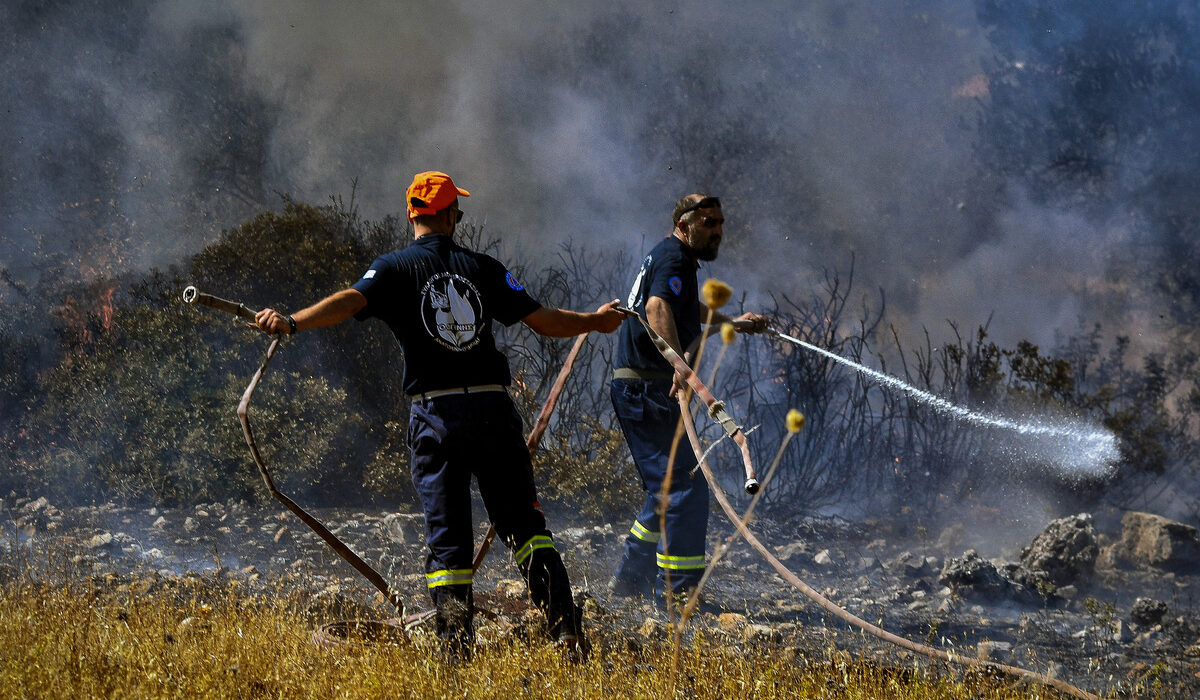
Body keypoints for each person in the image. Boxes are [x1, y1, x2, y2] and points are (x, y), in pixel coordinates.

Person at [255, 171, 623, 659]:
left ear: (412, 215)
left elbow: (349, 301)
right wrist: (595, 322)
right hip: (493, 409)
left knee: (449, 541)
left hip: (437, 415)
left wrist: (294, 321)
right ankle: (568, 635)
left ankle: (454, 651)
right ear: (451, 216)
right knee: (527, 529)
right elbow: (544, 321)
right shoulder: (483, 267)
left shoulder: (391, 268)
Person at [608, 193, 767, 603]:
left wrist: (732, 322)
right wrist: (680, 365)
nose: (717, 231)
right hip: (647, 389)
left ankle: (630, 580)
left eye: (720, 223)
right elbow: (658, 306)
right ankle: (679, 596)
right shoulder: (676, 258)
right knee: (686, 487)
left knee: (667, 485)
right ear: (684, 225)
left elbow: (679, 306)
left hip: (639, 387)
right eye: (708, 223)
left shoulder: (672, 257)